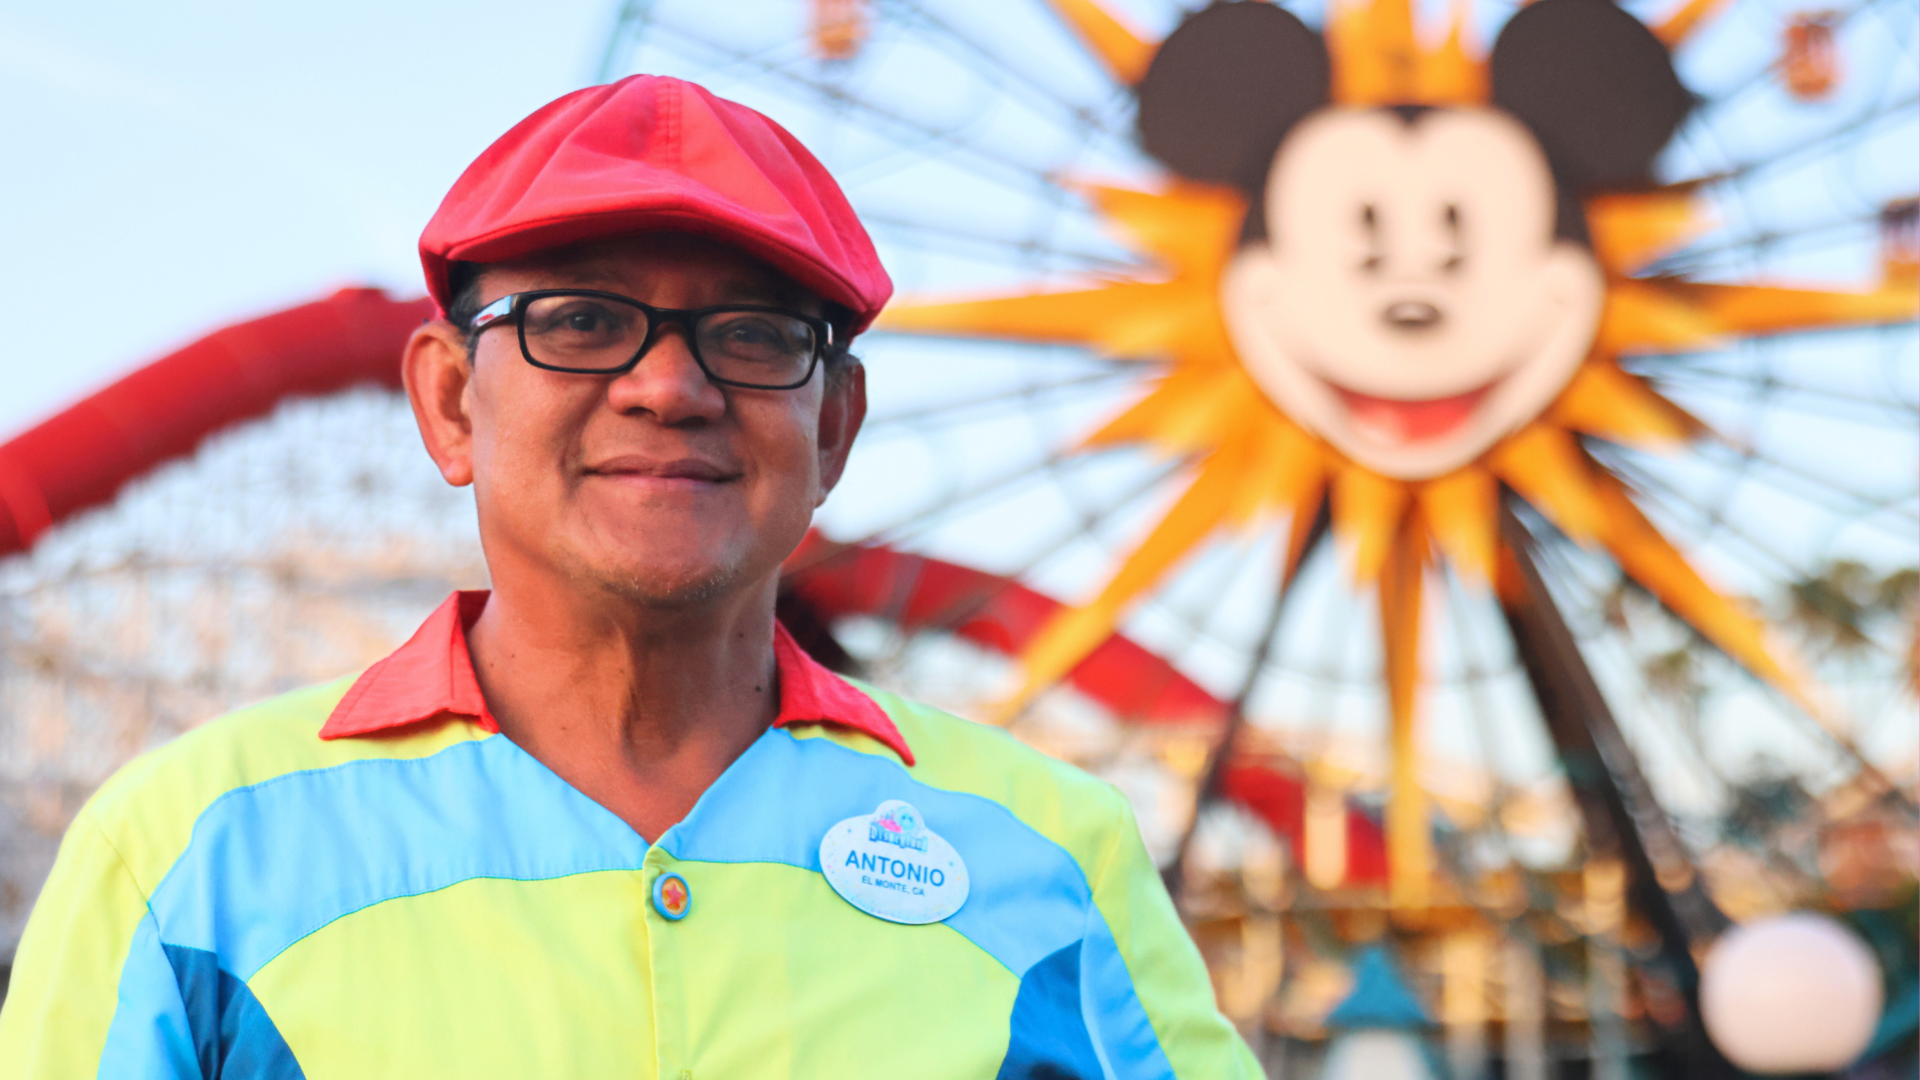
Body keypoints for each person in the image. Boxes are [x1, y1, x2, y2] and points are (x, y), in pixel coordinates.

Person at [0, 75, 1257, 1078]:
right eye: (581, 321)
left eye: (753, 334)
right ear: (447, 402)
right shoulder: (187, 857)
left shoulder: (1053, 854)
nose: (671, 385)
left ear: (833, 431)